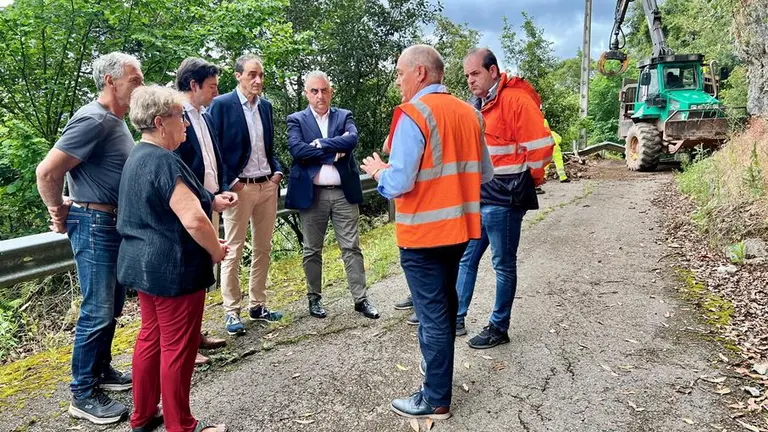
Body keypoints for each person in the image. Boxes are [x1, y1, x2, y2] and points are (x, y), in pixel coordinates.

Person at [361, 44, 493, 419]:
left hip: (422, 235)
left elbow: (399, 182)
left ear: (420, 73)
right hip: (461, 229)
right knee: (446, 306)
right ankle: (437, 374)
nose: (399, 82)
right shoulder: (471, 113)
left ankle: (434, 400)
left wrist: (377, 172)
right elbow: (484, 173)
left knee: (433, 314)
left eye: (401, 74)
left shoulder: (413, 115)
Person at [36, 52, 143, 425]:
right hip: (95, 223)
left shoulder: (115, 120)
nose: (140, 85)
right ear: (111, 81)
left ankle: (101, 371)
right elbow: (48, 171)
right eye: (135, 79)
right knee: (97, 309)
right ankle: (82, 394)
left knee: (111, 305)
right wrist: (57, 212)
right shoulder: (93, 119)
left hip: (111, 223)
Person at [118, 85, 230, 432]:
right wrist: (216, 250)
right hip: (173, 269)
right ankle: (182, 426)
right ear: (159, 122)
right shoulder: (163, 160)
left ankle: (143, 415)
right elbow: (194, 219)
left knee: (150, 338)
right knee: (178, 349)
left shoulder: (138, 155)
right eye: (179, 117)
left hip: (142, 266)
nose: (185, 123)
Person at [455, 48, 554, 348]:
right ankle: (456, 317)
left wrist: (528, 181)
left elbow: (541, 146)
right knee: (466, 258)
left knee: (502, 264)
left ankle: (499, 327)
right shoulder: (479, 105)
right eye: (467, 75)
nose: (470, 80)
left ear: (493, 71)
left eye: (475, 73)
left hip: (506, 199)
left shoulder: (515, 101)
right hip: (482, 196)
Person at [285, 71, 379, 319]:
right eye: (314, 91)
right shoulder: (296, 119)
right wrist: (331, 151)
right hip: (312, 195)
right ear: (306, 93)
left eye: (324, 90)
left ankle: (361, 300)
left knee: (351, 247)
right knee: (312, 250)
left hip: (342, 194)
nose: (320, 96)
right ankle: (314, 299)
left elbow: (352, 140)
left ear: (331, 91)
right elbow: (296, 150)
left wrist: (319, 144)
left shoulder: (344, 115)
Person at [207, 54, 284, 335]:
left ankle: (258, 304)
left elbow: (268, 146)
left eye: (261, 75)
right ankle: (231, 311)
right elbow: (213, 150)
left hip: (267, 185)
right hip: (240, 189)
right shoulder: (221, 105)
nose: (258, 80)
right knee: (233, 249)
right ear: (238, 76)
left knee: (264, 247)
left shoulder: (265, 107)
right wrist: (231, 182)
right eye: (252, 74)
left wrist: (277, 172)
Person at [172, 57, 237, 365]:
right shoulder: (176, 118)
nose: (216, 92)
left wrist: (220, 189)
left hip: (209, 201)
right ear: (193, 85)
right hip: (189, 208)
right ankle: (186, 345)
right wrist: (208, 197)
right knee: (189, 274)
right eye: (211, 86)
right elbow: (180, 170)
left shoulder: (205, 116)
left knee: (202, 273)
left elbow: (214, 159)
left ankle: (195, 335)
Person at [544, 119, 568, 183]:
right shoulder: (553, 133)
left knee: (546, 164)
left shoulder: (543, 135)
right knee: (559, 163)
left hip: (547, 150)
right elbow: (560, 139)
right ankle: (562, 177)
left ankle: (544, 177)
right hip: (556, 149)